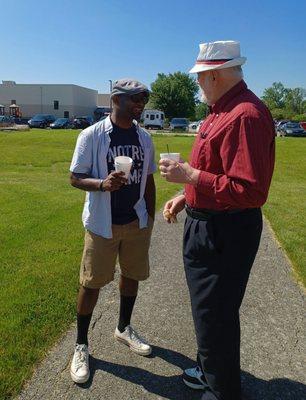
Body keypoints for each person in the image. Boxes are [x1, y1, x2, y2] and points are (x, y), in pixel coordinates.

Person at [160, 40, 275, 400]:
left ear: (214, 76)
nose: (197, 84)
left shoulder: (245, 115)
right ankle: (210, 370)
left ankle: (222, 390)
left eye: (200, 78)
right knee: (208, 311)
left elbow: (251, 191)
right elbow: (217, 171)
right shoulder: (220, 110)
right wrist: (185, 195)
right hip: (208, 222)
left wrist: (191, 178)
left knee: (216, 315)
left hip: (224, 230)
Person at [69, 78, 156, 384]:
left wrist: (150, 218)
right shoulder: (91, 136)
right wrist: (102, 184)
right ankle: (81, 345)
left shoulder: (145, 138)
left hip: (135, 222)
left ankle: (123, 328)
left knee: (131, 276)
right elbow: (75, 178)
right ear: (116, 100)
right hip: (101, 225)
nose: (140, 104)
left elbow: (150, 180)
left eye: (143, 99)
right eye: (135, 99)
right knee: (91, 284)